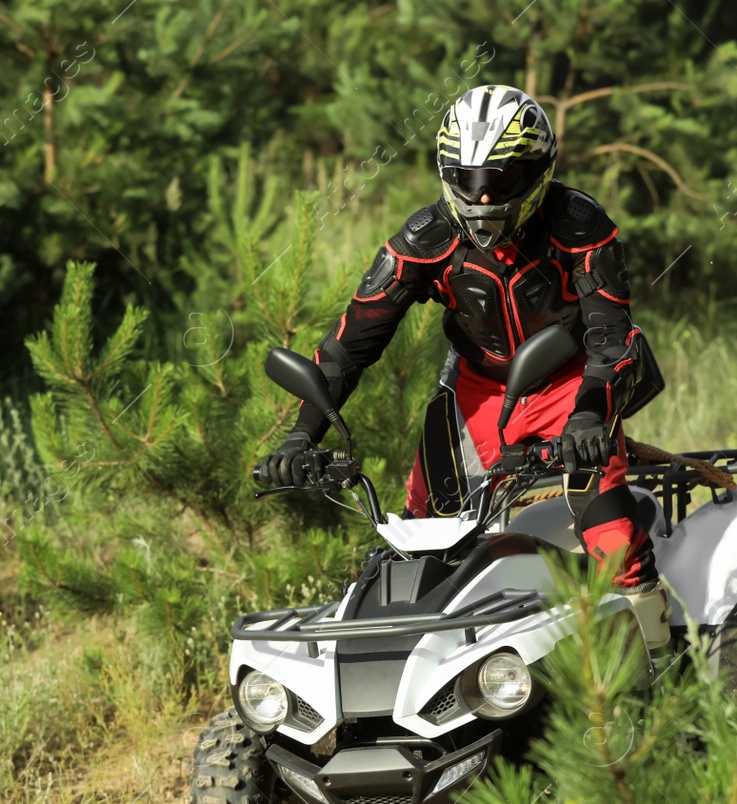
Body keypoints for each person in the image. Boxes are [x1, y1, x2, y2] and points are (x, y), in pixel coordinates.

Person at [260, 84, 661, 586]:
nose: (483, 195)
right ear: (446, 174)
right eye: (467, 179)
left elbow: (613, 336)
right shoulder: (423, 240)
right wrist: (302, 436)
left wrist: (588, 417)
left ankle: (663, 653)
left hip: (573, 384)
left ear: (538, 170)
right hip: (475, 395)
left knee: (615, 543)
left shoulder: (579, 225)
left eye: (501, 177)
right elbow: (347, 351)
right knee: (419, 550)